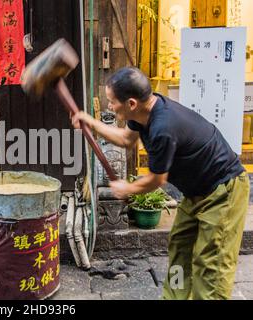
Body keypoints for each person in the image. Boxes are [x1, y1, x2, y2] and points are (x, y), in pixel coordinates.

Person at [72, 67, 250, 300]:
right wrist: (90, 122)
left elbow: (157, 180)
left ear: (131, 103)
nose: (110, 106)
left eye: (112, 102)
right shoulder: (142, 115)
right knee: (179, 247)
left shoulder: (162, 129)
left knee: (212, 263)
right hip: (197, 193)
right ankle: (174, 296)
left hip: (224, 192)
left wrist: (127, 188)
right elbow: (125, 139)